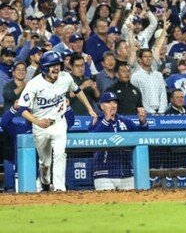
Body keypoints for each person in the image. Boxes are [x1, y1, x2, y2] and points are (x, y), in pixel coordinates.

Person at [17, 51, 97, 191]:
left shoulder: (65, 78)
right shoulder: (34, 84)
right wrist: (37, 122)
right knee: (45, 163)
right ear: (44, 67)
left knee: (60, 153)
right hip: (40, 125)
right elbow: (22, 109)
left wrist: (90, 108)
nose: (56, 68)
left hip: (59, 122)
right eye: (52, 65)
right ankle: (45, 182)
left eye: (58, 65)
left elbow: (77, 91)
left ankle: (60, 189)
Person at [88, 91, 148, 190]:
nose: (112, 105)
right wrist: (106, 120)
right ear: (101, 106)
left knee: (131, 203)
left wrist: (143, 122)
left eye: (115, 102)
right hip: (104, 174)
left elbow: (141, 136)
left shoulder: (125, 121)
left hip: (126, 173)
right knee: (106, 204)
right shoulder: (96, 121)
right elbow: (94, 140)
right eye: (108, 102)